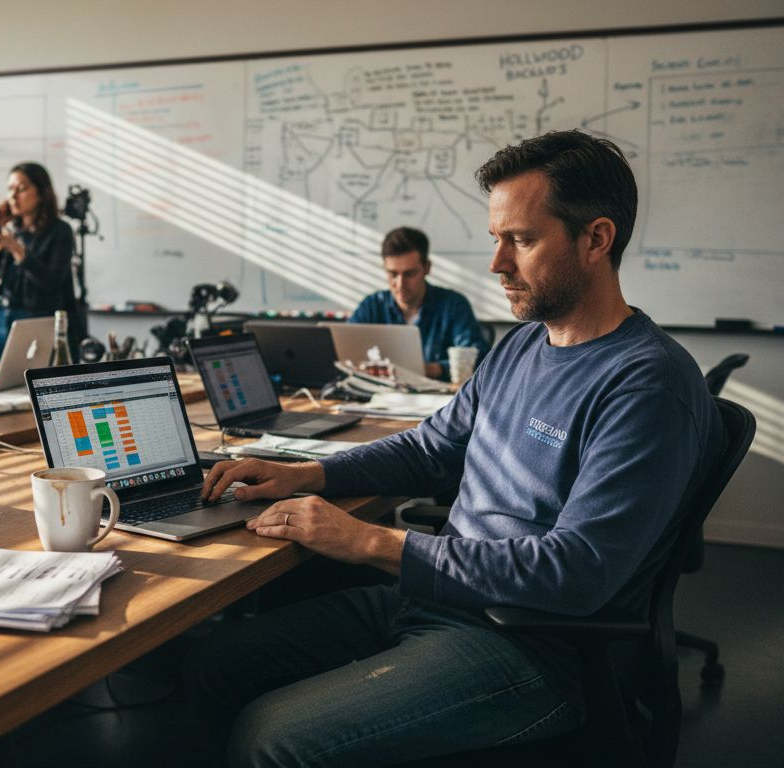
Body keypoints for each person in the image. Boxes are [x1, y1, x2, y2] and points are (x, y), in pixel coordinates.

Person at [183, 130, 722, 765]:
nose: (497, 263)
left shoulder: (647, 383)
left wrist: (372, 542)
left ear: (596, 239)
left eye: (520, 240)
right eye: (496, 239)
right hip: (439, 601)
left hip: (531, 646)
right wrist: (308, 475)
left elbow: (574, 574)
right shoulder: (525, 344)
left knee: (271, 738)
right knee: (211, 662)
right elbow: (431, 447)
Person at [348, 226, 492, 380]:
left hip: (438, 400)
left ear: (427, 268)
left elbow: (477, 359)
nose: (400, 284)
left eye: (409, 274)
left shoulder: (453, 305)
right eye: (393, 274)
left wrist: (428, 370)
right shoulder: (372, 306)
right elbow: (345, 352)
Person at [0, 162, 78, 364]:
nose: (13, 196)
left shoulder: (60, 231)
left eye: (21, 188)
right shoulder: (9, 228)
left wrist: (18, 251)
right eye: (10, 188)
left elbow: (52, 283)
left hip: (34, 320)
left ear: (41, 193)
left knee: (28, 386)